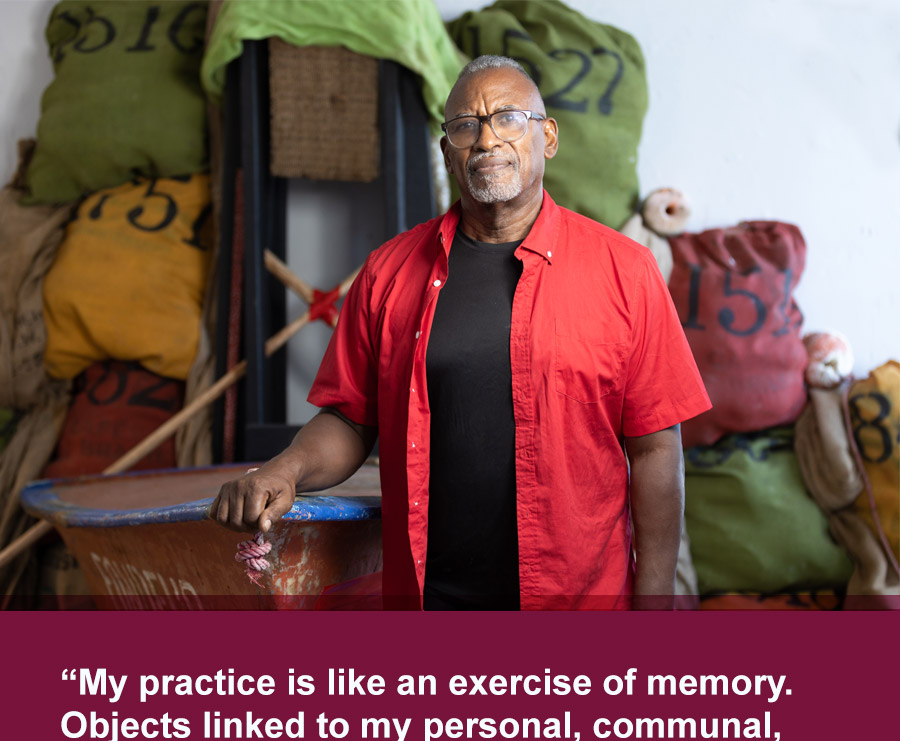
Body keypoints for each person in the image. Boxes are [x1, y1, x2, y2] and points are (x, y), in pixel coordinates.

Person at [210, 55, 711, 611]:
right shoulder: (388, 272)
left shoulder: (626, 271)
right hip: (431, 602)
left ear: (547, 137)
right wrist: (285, 469)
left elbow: (656, 450)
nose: (486, 138)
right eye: (465, 125)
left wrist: (655, 606)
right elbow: (351, 418)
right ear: (447, 153)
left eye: (508, 118)